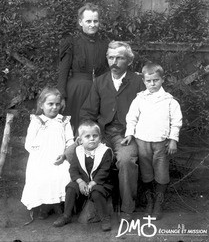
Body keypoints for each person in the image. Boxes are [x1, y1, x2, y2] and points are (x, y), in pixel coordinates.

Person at [79, 41, 145, 221]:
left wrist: (133, 132)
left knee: (125, 160)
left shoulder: (139, 81)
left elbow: (148, 112)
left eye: (119, 58)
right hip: (102, 133)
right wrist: (88, 133)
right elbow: (88, 112)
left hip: (126, 135)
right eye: (111, 57)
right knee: (78, 153)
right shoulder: (100, 81)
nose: (114, 62)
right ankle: (93, 205)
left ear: (129, 61)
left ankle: (127, 209)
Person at [123, 62, 182, 220]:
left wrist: (173, 139)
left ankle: (158, 203)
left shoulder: (169, 101)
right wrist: (129, 134)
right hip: (142, 142)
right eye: (148, 81)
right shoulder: (140, 99)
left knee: (161, 173)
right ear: (144, 81)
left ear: (162, 79)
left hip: (160, 144)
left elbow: (176, 121)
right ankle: (150, 201)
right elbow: (131, 117)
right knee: (146, 172)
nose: (152, 84)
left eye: (155, 80)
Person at [21, 87, 74, 220]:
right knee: (43, 177)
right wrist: (39, 154)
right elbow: (29, 143)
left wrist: (65, 155)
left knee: (62, 176)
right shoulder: (37, 121)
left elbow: (70, 141)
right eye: (50, 104)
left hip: (60, 157)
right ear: (41, 105)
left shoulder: (64, 121)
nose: (54, 107)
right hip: (41, 158)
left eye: (57, 104)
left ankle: (57, 204)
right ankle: (45, 206)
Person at [57, 3, 109, 134]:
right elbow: (63, 71)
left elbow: (110, 69)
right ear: (81, 22)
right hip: (77, 90)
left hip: (99, 89)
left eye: (95, 21)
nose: (92, 24)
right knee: (75, 125)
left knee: (94, 127)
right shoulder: (72, 43)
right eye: (88, 21)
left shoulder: (105, 44)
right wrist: (61, 95)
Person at [53, 120, 113, 231]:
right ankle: (66, 215)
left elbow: (105, 170)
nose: (92, 139)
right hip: (83, 182)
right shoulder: (78, 151)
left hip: (101, 183)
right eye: (87, 136)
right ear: (80, 140)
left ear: (100, 138)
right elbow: (73, 169)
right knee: (71, 187)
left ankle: (104, 218)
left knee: (96, 192)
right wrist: (80, 182)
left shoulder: (105, 151)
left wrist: (93, 183)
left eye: (95, 136)